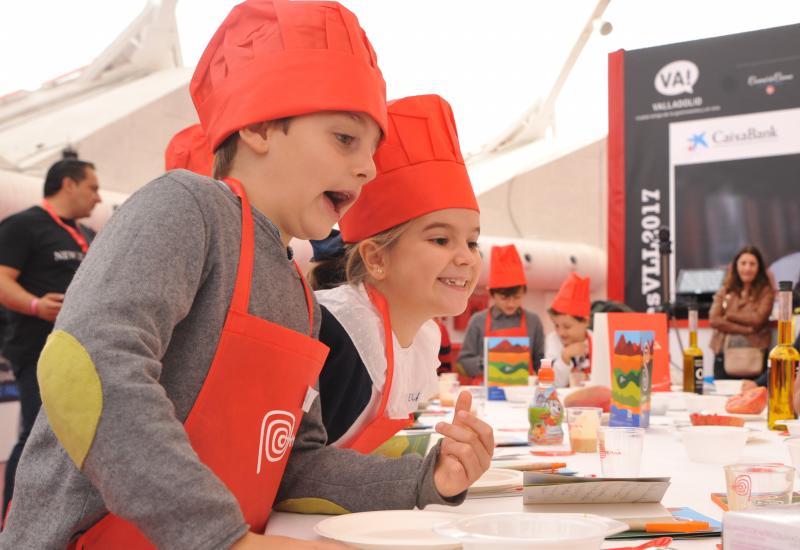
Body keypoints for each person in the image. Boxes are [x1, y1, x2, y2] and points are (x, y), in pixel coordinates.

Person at [0, 2, 492, 549]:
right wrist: (223, 538)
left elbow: (292, 464)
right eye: (345, 139)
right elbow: (86, 370)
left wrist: (428, 478)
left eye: (372, 150)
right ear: (258, 127)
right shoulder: (187, 208)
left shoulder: (298, 293)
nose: (367, 168)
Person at [310, 94, 486, 451]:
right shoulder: (330, 333)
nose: (466, 257)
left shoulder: (424, 338)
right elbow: (291, 466)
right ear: (376, 258)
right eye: (440, 239)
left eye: (472, 243)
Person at [0, 157, 101, 517]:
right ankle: (13, 522)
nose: (99, 198)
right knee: (34, 438)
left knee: (74, 441)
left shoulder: (87, 234)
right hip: (37, 351)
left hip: (83, 354)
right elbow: (1, 278)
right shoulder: (23, 225)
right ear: (68, 184)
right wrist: (34, 304)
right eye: (93, 187)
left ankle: (59, 519)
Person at [457, 244, 544, 383]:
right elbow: (462, 364)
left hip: (522, 391)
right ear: (492, 294)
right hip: (485, 392)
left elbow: (540, 362)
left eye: (517, 297)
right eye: (504, 298)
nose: (511, 304)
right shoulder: (478, 320)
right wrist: (491, 362)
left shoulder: (533, 321)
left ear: (524, 293)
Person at [709, 245, 775, 382]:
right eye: (743, 263)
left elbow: (758, 320)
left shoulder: (766, 292)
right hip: (724, 357)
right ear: (735, 266)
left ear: (759, 267)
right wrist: (747, 329)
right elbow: (714, 319)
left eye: (752, 264)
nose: (747, 268)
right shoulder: (725, 290)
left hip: (755, 358)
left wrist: (729, 316)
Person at [545, 273, 592, 388]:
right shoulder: (554, 340)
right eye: (556, 325)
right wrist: (565, 357)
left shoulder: (597, 341)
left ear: (585, 322)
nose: (560, 332)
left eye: (567, 327)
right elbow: (553, 383)